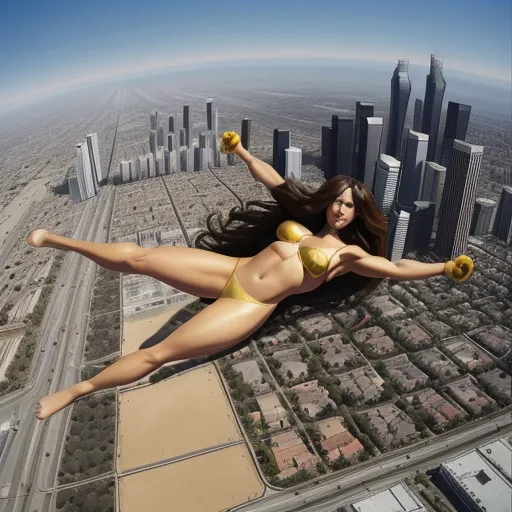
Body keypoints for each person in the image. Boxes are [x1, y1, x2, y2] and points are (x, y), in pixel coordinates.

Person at [28, 131, 473, 420]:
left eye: (349, 205)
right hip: (231, 270)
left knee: (159, 353)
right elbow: (274, 179)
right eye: (337, 201)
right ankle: (62, 241)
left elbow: (395, 268)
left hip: (247, 306)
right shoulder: (303, 217)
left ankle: (77, 390)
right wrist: (239, 150)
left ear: (358, 213)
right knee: (142, 259)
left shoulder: (349, 254)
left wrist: (445, 267)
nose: (340, 209)